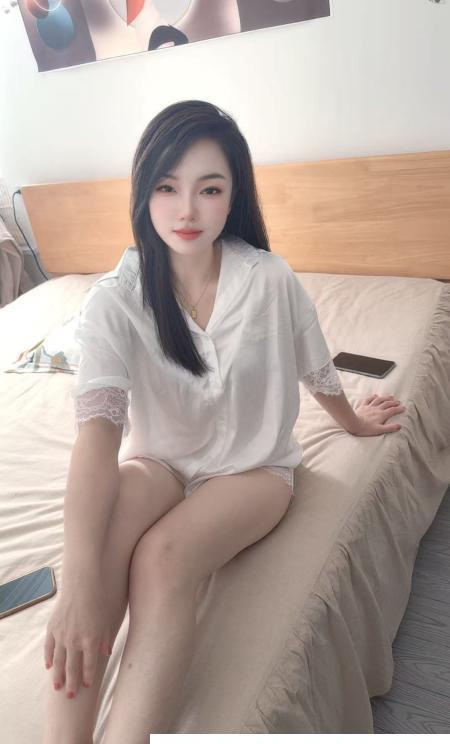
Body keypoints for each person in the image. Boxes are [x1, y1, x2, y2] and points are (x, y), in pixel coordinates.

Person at [42, 99, 406, 742]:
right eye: (167, 187)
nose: (186, 210)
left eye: (209, 189)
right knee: (98, 549)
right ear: (143, 192)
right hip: (159, 462)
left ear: (233, 195)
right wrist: (75, 585)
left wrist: (351, 421)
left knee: (161, 559)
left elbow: (313, 364)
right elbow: (97, 438)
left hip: (252, 470)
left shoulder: (269, 279)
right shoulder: (115, 301)